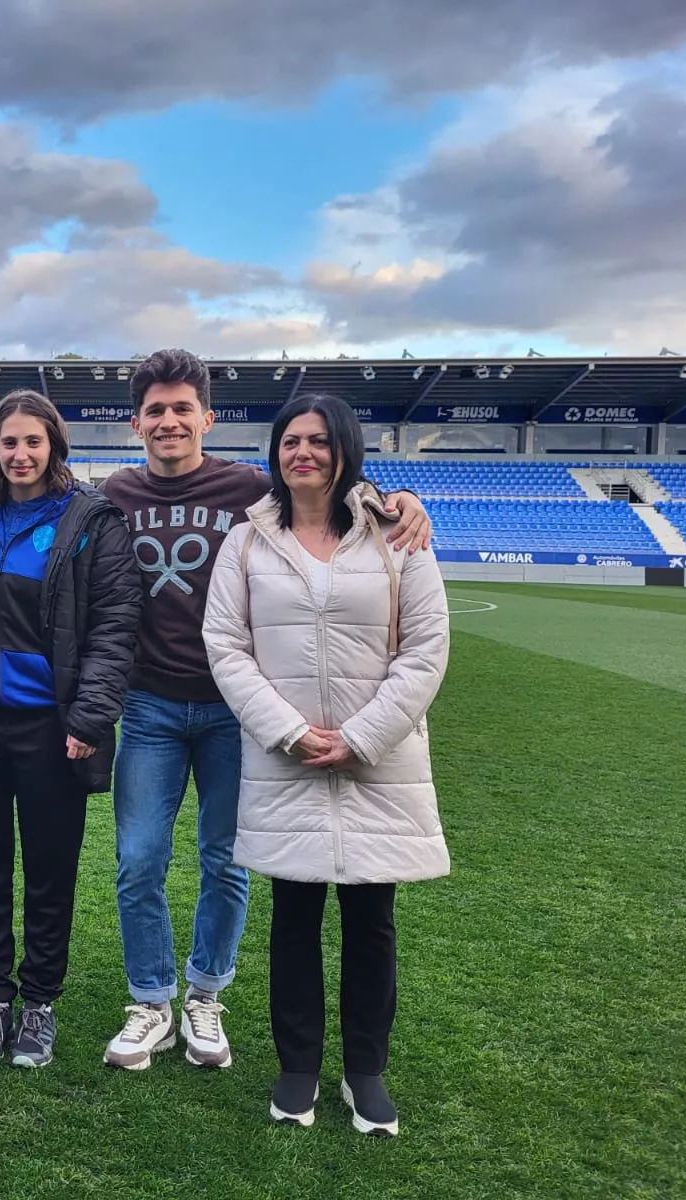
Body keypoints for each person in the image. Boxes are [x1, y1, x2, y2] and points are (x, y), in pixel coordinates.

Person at [99, 350, 431, 1073]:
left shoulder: (251, 487)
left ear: (206, 417)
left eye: (182, 408)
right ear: (137, 423)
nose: (168, 421)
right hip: (149, 704)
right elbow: (39, 481)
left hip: (239, 712)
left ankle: (205, 995)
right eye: (154, 410)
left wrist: (401, 494)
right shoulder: (115, 491)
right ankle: (151, 1000)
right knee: (137, 861)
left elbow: (329, 483)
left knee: (227, 861)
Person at [203, 392, 451, 1136]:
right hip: (288, 762)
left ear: (345, 449)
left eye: (316, 440)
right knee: (293, 915)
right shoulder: (247, 541)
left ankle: (366, 1072)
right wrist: (288, 731)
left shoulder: (397, 536)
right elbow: (226, 645)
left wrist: (364, 735)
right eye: (289, 441)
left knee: (372, 920)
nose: (301, 452)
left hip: (379, 763)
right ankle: (298, 1067)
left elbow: (427, 647)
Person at [0, 391, 139, 1068]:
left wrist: (90, 715)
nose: (20, 455)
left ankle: (40, 1004)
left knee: (49, 871)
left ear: (55, 447)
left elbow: (114, 626)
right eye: (8, 443)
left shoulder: (90, 521)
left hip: (51, 730)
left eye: (32, 442)